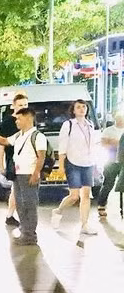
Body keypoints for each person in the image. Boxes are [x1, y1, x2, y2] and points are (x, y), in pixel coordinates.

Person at [0, 108, 47, 245]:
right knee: (20, 205)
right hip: (18, 175)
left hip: (29, 174)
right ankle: (25, 232)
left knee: (29, 205)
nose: (16, 121)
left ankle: (30, 235)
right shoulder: (19, 135)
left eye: (19, 118)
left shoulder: (38, 136)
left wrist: (36, 173)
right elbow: (4, 141)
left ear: (28, 118)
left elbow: (41, 156)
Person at [52, 99, 100, 235]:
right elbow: (62, 146)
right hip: (73, 162)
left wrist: (95, 164)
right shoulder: (68, 125)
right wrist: (61, 165)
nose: (81, 109)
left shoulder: (90, 125)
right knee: (74, 196)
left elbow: (93, 145)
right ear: (73, 110)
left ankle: (84, 225)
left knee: (86, 195)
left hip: (88, 163)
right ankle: (58, 211)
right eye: (78, 107)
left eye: (84, 107)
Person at [0, 93, 29, 227]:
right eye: (20, 105)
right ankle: (20, 218)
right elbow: (1, 144)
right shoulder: (6, 123)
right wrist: (0, 165)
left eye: (25, 105)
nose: (23, 107)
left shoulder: (30, 120)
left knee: (17, 190)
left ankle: (10, 215)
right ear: (13, 106)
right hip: (14, 161)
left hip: (28, 160)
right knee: (19, 190)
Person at [98, 111, 124, 218]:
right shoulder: (108, 130)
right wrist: (119, 143)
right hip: (111, 162)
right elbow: (104, 144)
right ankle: (101, 205)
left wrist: (113, 142)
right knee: (108, 184)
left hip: (123, 162)